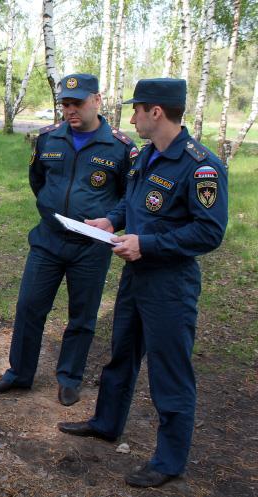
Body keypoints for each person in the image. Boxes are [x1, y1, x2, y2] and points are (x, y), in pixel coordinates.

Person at [57, 78, 228, 488]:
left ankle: (169, 462)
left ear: (156, 112)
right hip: (136, 276)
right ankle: (106, 422)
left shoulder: (200, 166)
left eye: (137, 109)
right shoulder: (145, 155)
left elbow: (209, 233)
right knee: (122, 354)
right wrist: (112, 221)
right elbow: (130, 202)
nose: (130, 116)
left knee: (170, 372)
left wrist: (146, 244)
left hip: (170, 284)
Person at [0, 74, 138, 406]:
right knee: (28, 307)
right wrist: (52, 209)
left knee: (82, 315)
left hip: (91, 247)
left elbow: (130, 196)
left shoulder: (121, 146)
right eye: (65, 104)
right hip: (48, 240)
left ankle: (69, 378)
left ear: (97, 100)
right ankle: (19, 373)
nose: (70, 110)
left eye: (77, 103)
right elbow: (38, 181)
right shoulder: (48, 139)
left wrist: (111, 221)